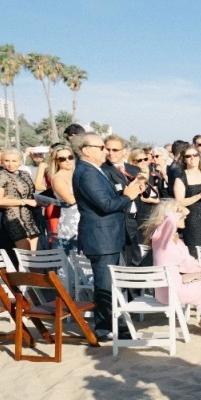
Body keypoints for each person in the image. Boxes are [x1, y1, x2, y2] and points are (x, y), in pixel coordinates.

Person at [73, 131, 147, 338]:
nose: (105, 151)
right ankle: (105, 328)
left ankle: (117, 326)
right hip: (102, 239)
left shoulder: (93, 170)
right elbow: (106, 205)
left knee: (113, 284)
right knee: (105, 285)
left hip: (109, 237)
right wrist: (127, 196)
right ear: (87, 150)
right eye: (101, 148)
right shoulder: (87, 172)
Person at [145, 200, 201, 336]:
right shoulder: (161, 238)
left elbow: (189, 264)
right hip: (171, 292)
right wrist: (181, 210)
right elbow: (171, 220)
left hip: (173, 288)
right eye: (180, 213)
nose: (185, 216)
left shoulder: (175, 241)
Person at [172, 143, 201, 257]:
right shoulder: (180, 178)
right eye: (188, 156)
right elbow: (179, 202)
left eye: (195, 155)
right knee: (196, 255)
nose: (192, 158)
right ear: (184, 159)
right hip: (192, 221)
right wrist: (199, 195)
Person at [102, 135, 145, 259]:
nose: (111, 153)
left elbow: (143, 194)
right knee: (125, 259)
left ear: (124, 151)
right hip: (119, 219)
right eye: (108, 149)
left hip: (137, 218)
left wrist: (143, 188)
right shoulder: (103, 170)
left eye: (115, 150)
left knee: (137, 258)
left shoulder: (134, 169)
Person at [0, 149, 41, 251]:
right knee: (26, 257)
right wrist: (24, 201)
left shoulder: (25, 174)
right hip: (14, 217)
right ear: (2, 161)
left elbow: (31, 194)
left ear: (20, 161)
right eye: (6, 161)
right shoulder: (1, 175)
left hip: (30, 217)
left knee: (35, 257)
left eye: (14, 161)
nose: (10, 164)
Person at [45, 143, 80, 253]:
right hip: (71, 219)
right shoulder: (57, 178)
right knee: (72, 254)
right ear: (56, 161)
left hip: (83, 216)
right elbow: (70, 199)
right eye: (62, 159)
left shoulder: (77, 173)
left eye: (70, 157)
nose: (67, 161)